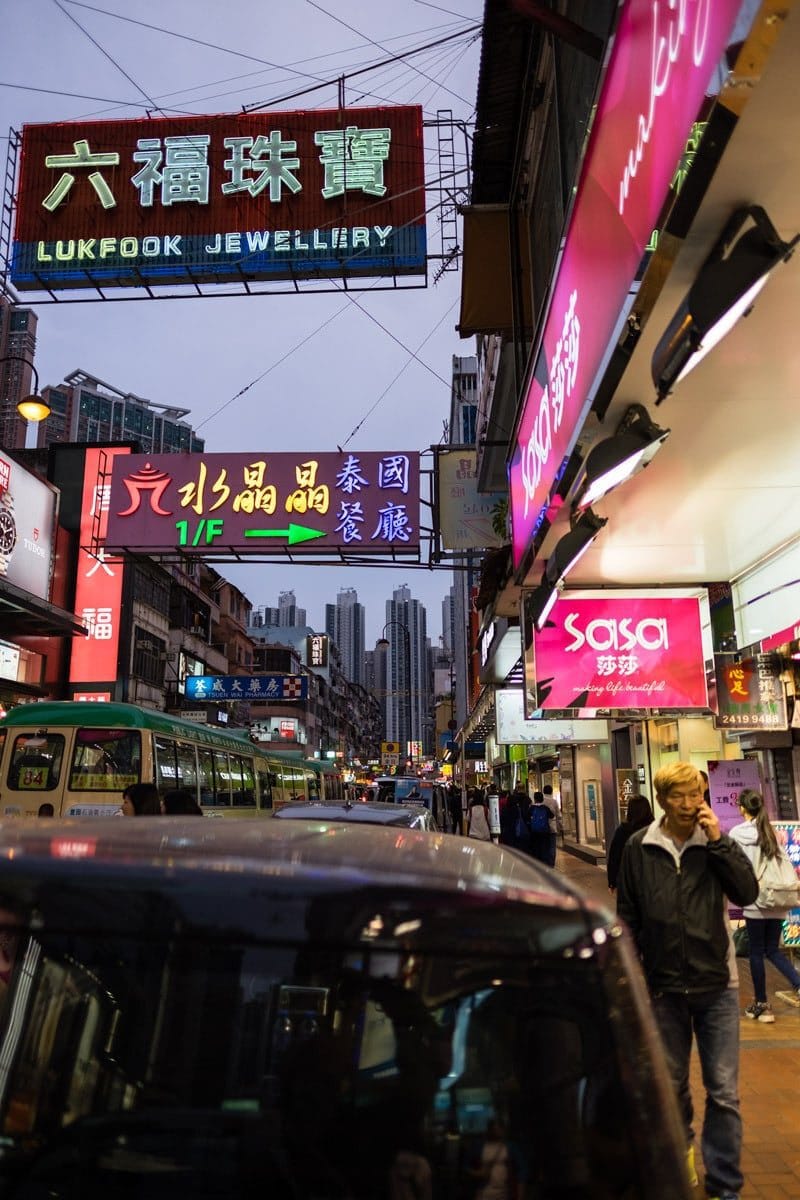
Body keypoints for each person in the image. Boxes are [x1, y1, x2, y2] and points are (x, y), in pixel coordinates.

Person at [616, 762, 758, 1200]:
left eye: (695, 794)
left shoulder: (715, 843)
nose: (688, 803)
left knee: (724, 1093)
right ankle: (680, 1161)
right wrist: (635, 972)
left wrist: (719, 842)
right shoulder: (640, 847)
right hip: (664, 988)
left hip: (716, 985)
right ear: (662, 799)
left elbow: (747, 894)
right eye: (678, 795)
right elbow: (628, 916)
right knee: (670, 1086)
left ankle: (725, 1184)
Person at [728, 788, 800, 1021]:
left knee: (757, 952)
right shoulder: (772, 832)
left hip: (756, 898)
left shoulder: (737, 833)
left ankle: (762, 1004)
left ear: (742, 808)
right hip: (778, 898)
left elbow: (734, 864)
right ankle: (798, 983)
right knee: (772, 949)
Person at [606, 794, 654, 893]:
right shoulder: (656, 829)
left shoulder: (623, 831)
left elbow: (614, 857)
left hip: (628, 881)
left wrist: (612, 882)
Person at [528, 791, 557, 866]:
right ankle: (545, 863)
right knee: (544, 847)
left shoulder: (532, 808)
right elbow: (552, 816)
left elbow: (527, 817)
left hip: (534, 832)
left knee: (536, 847)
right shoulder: (545, 808)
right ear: (542, 799)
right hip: (545, 831)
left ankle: (536, 862)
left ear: (535, 799)